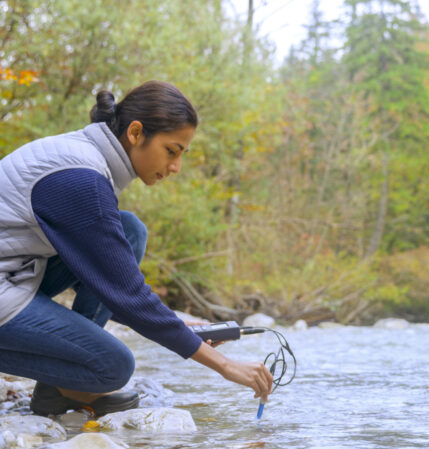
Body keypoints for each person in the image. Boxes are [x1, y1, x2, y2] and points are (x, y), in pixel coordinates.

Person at [0, 80, 273, 417]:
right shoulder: (81, 179)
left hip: (17, 273)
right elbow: (129, 296)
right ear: (135, 133)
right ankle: (67, 385)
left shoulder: (86, 158)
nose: (176, 167)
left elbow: (111, 285)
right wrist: (225, 366)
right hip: (7, 285)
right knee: (113, 365)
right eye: (171, 151)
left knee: (129, 230)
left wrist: (180, 330)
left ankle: (60, 389)